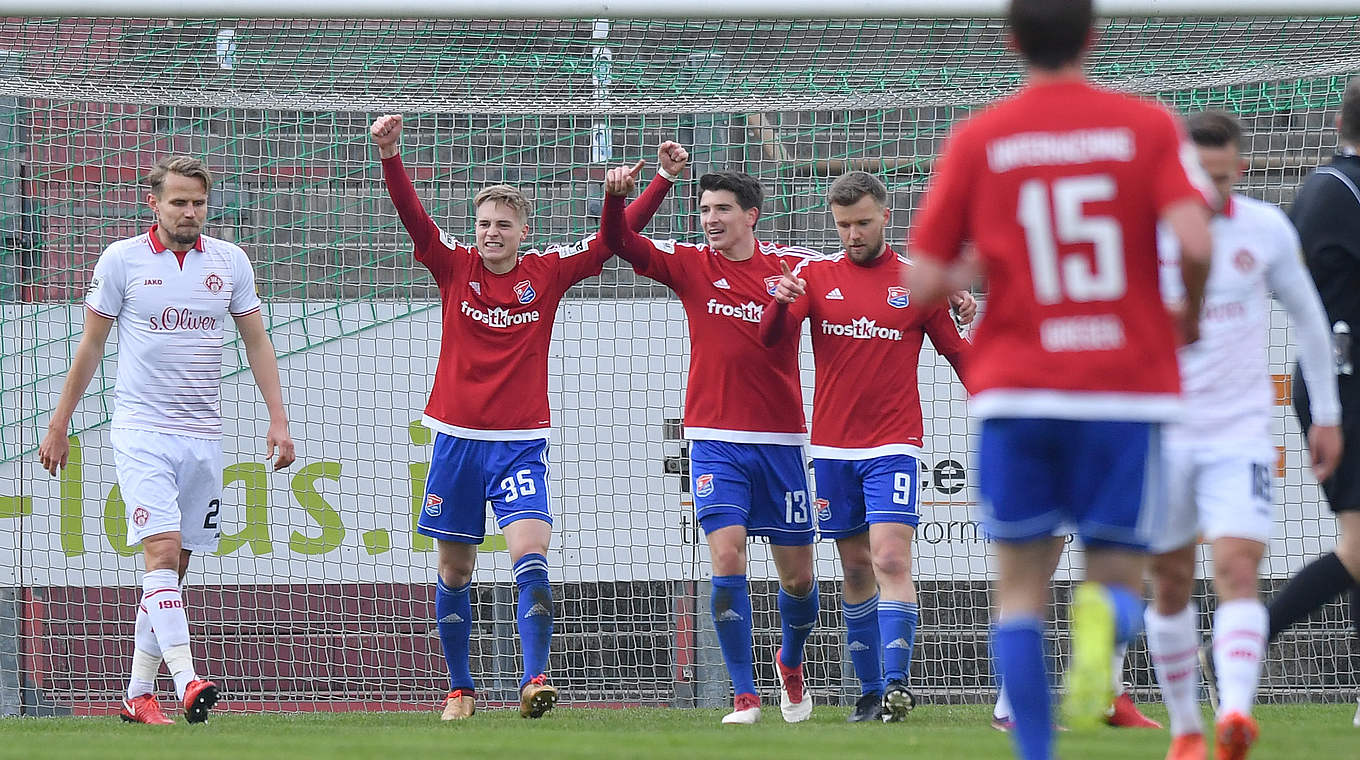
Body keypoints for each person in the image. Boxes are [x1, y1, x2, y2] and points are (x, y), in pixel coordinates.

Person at [904, 1, 1216, 757]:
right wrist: (1187, 317)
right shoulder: (1143, 125)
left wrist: (978, 267)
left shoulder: (981, 136)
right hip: (1120, 383)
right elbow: (1196, 242)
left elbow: (920, 287)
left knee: (1017, 590)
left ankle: (1035, 751)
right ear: (1093, 36)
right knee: (1115, 568)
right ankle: (1104, 629)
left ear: (1011, 42)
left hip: (1017, 387)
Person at [369, 114, 688, 720]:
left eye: (503, 225)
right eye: (485, 224)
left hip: (519, 445)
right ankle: (460, 689)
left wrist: (659, 183)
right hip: (457, 442)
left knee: (531, 554)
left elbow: (608, 243)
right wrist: (391, 156)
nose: (492, 233)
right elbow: (414, 218)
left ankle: (535, 678)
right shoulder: (453, 267)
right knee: (455, 570)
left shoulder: (545, 273)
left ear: (523, 231)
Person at [37, 155, 297, 725]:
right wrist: (60, 425)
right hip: (141, 431)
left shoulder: (230, 262)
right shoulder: (123, 260)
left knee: (172, 570)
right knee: (159, 551)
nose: (189, 212)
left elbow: (257, 343)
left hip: (203, 437)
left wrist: (278, 419)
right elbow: (91, 347)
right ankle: (188, 680)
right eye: (178, 201)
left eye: (198, 202)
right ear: (153, 203)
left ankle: (136, 694)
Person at [1145, 110, 1342, 760]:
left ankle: (1234, 715)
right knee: (1171, 582)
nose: (1212, 190)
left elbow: (1312, 323)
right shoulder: (1141, 232)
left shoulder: (1266, 228)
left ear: (1242, 169)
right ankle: (1185, 729)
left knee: (1236, 567)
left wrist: (1329, 416)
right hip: (1161, 434)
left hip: (1239, 433)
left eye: (1224, 177)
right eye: (1201, 176)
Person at [599, 165, 821, 725]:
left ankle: (790, 667)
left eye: (722, 209)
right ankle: (744, 697)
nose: (710, 220)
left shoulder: (793, 268)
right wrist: (650, 185)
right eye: (703, 210)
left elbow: (866, 269)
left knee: (798, 577)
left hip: (779, 441)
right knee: (727, 556)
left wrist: (954, 292)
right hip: (713, 439)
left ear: (751, 215)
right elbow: (618, 240)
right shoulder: (694, 264)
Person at [758, 170, 974, 722]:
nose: (852, 233)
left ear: (885, 217)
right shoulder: (812, 275)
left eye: (861, 222)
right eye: (842, 225)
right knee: (855, 569)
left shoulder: (918, 282)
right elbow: (774, 342)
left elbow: (958, 354)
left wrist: (999, 403)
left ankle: (900, 684)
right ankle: (872, 691)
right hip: (832, 449)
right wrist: (780, 303)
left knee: (890, 556)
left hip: (893, 444)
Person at [1267, 75, 1360, 724]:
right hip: (1343, 382)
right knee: (1359, 545)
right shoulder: (1336, 193)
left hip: (1342, 378)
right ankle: (1245, 646)